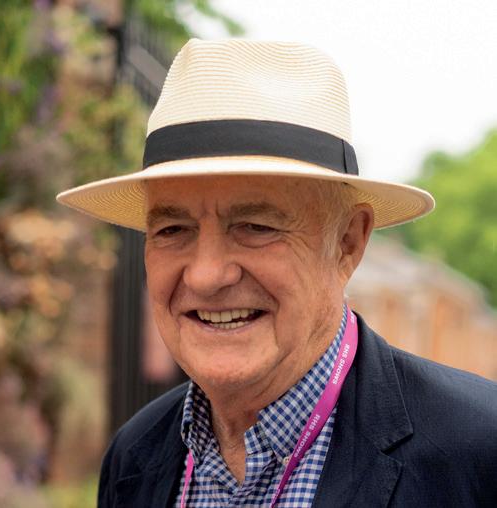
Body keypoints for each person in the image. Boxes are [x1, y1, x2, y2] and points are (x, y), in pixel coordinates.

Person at [57, 39, 497, 507]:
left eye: (255, 226)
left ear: (348, 241)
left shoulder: (477, 453)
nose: (206, 275)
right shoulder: (134, 457)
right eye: (173, 229)